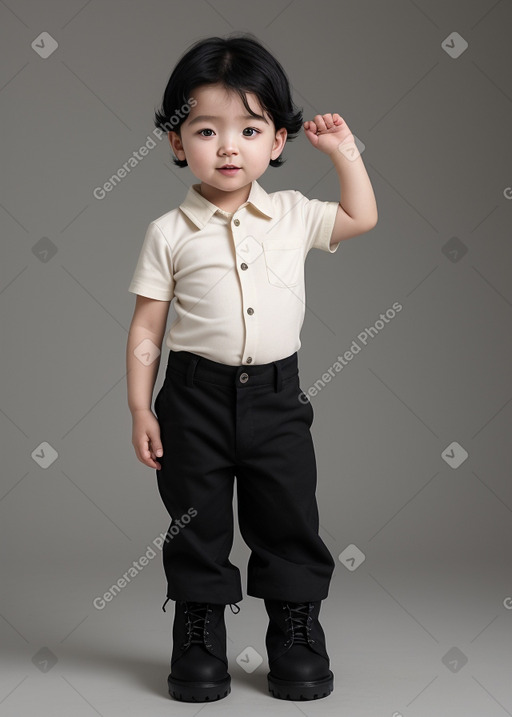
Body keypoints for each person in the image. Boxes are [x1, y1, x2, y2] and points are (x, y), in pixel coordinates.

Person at [126, 33, 377, 703]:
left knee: (288, 515)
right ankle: (199, 628)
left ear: (278, 141)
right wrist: (140, 406)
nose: (228, 145)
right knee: (195, 519)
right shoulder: (168, 232)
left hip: (276, 397)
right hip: (193, 398)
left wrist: (345, 152)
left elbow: (362, 214)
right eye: (206, 129)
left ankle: (295, 631)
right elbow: (148, 325)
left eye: (250, 127)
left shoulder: (293, 215)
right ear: (178, 141)